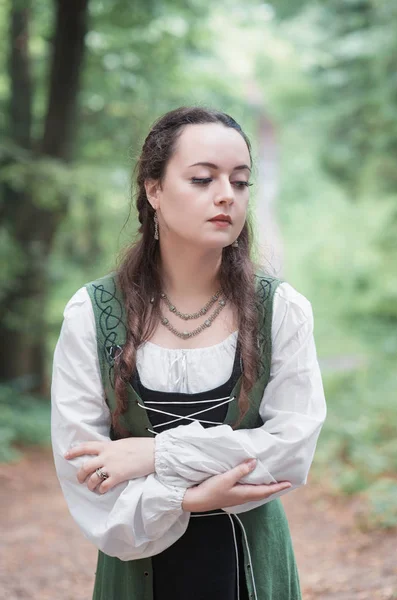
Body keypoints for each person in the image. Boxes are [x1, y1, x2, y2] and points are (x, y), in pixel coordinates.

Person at [51, 106, 326, 600]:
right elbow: (86, 472)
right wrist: (186, 498)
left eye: (240, 182)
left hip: (252, 572)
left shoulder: (280, 309)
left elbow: (292, 448)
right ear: (153, 190)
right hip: (134, 572)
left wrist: (154, 453)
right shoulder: (92, 314)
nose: (226, 195)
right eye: (202, 178)